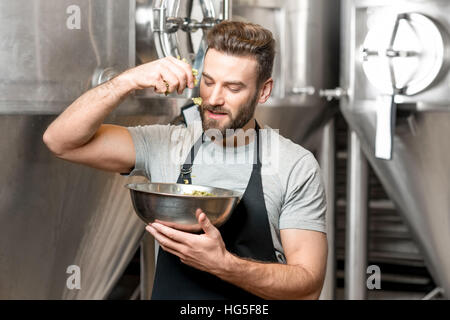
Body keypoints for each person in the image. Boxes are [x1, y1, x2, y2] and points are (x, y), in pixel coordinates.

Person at [43, 21, 328, 300]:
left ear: (263, 91)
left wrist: (224, 265)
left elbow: (308, 287)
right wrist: (128, 81)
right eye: (208, 81)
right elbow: (60, 142)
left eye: (233, 88)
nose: (214, 98)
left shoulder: (294, 165)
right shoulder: (167, 144)